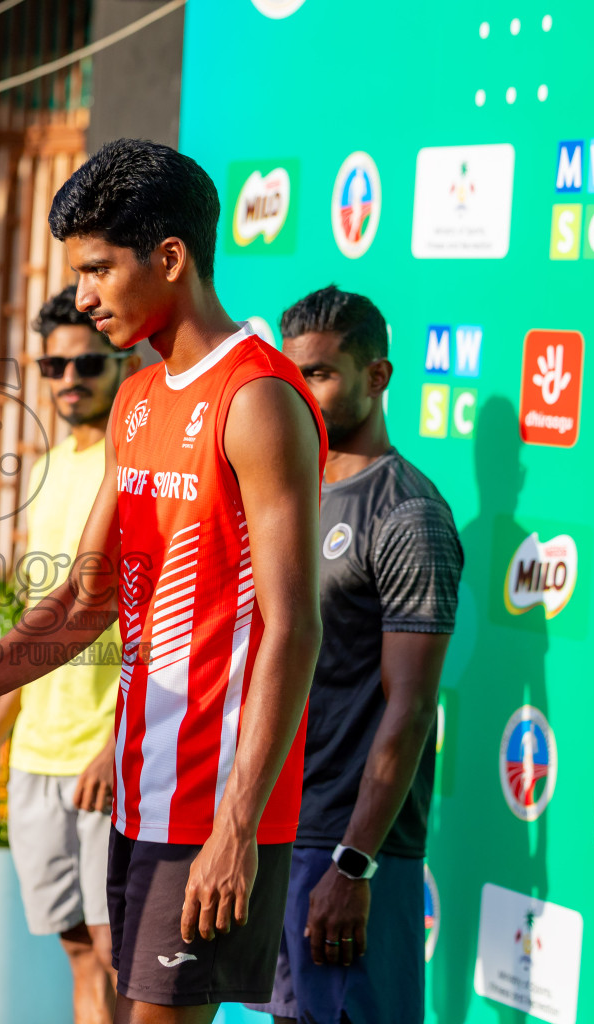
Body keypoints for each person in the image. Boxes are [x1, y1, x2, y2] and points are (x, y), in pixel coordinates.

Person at [0, 138, 328, 1024]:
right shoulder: (138, 401)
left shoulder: (258, 399)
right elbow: (81, 600)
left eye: (99, 269)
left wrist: (238, 824)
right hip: (137, 792)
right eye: (79, 272)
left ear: (171, 257)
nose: (83, 296)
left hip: (214, 805)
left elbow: (294, 629)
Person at [246, 286, 462, 1024]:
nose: (300, 390)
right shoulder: (285, 493)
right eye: (291, 372)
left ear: (379, 377)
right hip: (274, 831)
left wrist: (353, 864)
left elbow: (410, 710)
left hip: (348, 851)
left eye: (321, 373)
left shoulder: (411, 514)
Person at [0, 285, 139, 1024]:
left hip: (109, 757)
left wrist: (118, 746)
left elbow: (164, 622)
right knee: (76, 947)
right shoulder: (54, 466)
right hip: (35, 755)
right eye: (53, 367)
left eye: (86, 364)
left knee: (120, 949)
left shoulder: (139, 466)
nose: (69, 382)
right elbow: (42, 622)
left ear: (121, 360)